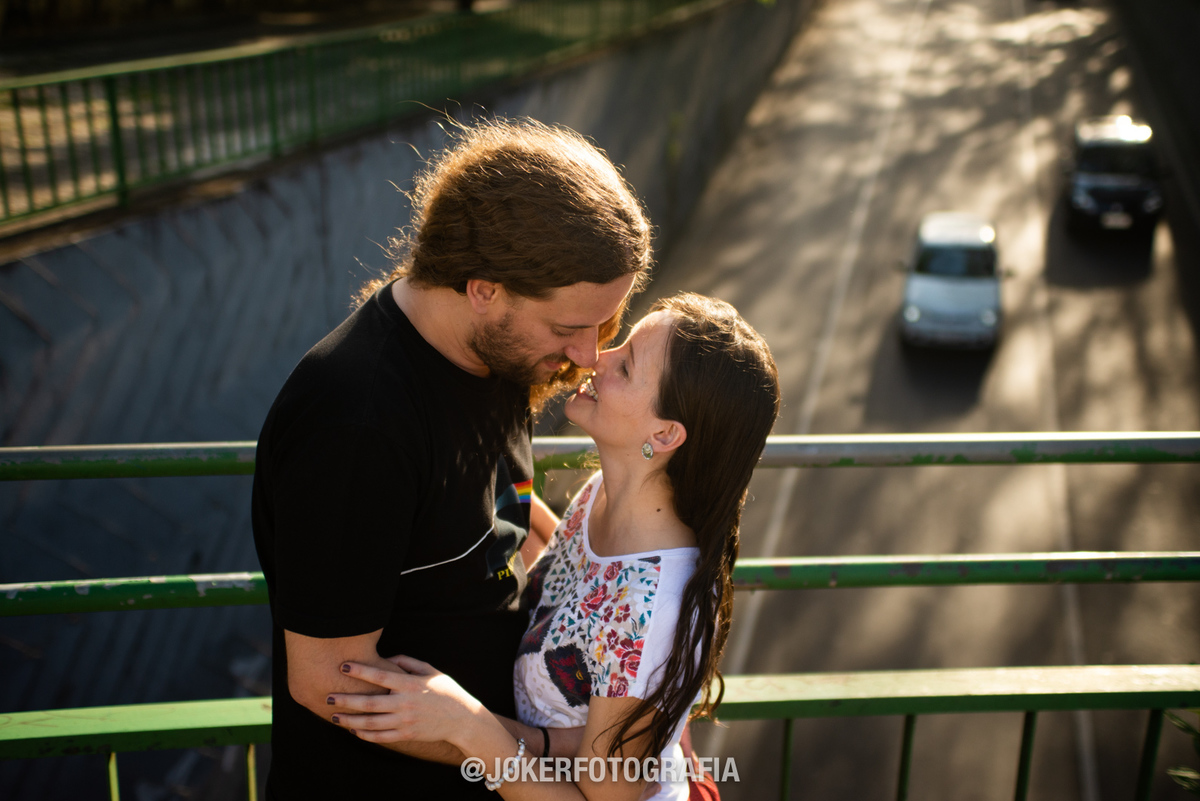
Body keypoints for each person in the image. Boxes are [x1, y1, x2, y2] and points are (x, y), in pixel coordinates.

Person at [251, 117, 652, 798]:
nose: (588, 355)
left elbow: (503, 510)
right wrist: (521, 744)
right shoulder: (357, 424)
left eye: (604, 325)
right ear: (483, 288)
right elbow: (327, 683)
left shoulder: (494, 353)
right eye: (568, 328)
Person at [328, 293, 782, 801]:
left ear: (665, 433)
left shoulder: (652, 610)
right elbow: (557, 570)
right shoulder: (608, 495)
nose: (596, 357)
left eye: (626, 365)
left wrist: (467, 725)